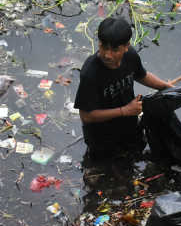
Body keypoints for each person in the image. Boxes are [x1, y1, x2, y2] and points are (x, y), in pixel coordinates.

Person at [73, 16, 173, 158]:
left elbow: (141, 75)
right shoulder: (90, 73)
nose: (107, 55)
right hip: (101, 136)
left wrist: (166, 87)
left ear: (126, 46)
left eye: (114, 49)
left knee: (135, 156)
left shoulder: (130, 56)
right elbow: (86, 116)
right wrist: (124, 110)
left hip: (129, 125)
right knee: (105, 167)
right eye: (103, 47)